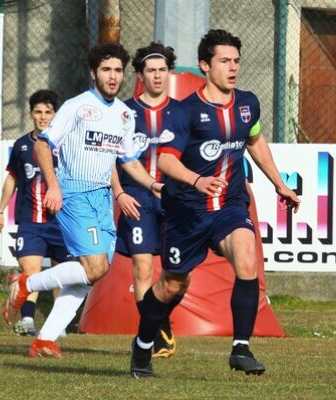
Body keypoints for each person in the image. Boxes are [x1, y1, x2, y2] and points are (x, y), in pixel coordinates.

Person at [129, 29, 301, 378]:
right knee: (171, 285)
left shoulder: (247, 103)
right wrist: (197, 180)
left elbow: (254, 140)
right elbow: (164, 161)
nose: (233, 67)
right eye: (225, 61)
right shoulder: (185, 112)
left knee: (246, 255)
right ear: (205, 66)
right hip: (187, 212)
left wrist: (280, 184)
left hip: (230, 204)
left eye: (237, 61)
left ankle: (240, 348)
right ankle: (143, 344)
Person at [5, 42, 162, 359]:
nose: (113, 76)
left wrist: (155, 185)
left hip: (102, 198)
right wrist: (54, 187)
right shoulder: (77, 106)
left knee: (91, 275)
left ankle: (45, 339)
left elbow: (128, 162)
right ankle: (27, 282)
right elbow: (43, 146)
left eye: (118, 70)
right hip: (74, 193)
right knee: (95, 266)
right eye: (106, 69)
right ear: (94, 73)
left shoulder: (123, 115)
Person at [112, 42, 181, 359]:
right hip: (137, 199)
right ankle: (153, 337)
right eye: (150, 70)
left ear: (170, 73)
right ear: (140, 75)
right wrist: (120, 193)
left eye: (162, 70)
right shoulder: (123, 112)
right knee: (142, 270)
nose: (157, 76)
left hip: (173, 199)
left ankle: (158, 320)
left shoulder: (182, 112)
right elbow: (108, 158)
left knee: (179, 274)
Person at [0, 89, 70, 337]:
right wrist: (0, 210)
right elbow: (12, 178)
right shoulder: (21, 145)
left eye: (48, 112)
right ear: (30, 114)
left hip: (61, 222)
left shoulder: (65, 144)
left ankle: (57, 325)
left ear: (55, 115)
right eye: (38, 111)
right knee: (32, 272)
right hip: (31, 222)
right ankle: (27, 320)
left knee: (62, 275)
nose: (43, 117)